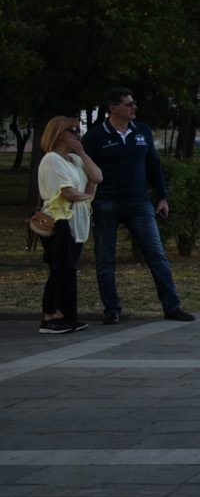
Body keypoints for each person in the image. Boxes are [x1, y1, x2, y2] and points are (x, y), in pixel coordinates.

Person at [83, 87, 191, 323]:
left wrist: (162, 197)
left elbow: (153, 164)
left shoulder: (142, 131)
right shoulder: (94, 136)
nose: (134, 107)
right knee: (105, 258)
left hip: (139, 203)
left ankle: (172, 307)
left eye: (134, 103)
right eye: (128, 104)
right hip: (105, 203)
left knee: (157, 255)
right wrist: (87, 205)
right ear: (113, 109)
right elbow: (84, 171)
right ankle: (111, 310)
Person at [37, 117, 99, 334]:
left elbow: (97, 177)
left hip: (77, 222)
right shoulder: (52, 159)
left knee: (68, 271)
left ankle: (64, 315)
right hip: (59, 221)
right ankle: (49, 317)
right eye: (72, 130)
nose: (77, 134)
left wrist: (83, 154)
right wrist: (87, 194)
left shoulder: (75, 159)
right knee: (60, 270)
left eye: (79, 130)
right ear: (58, 133)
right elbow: (68, 192)